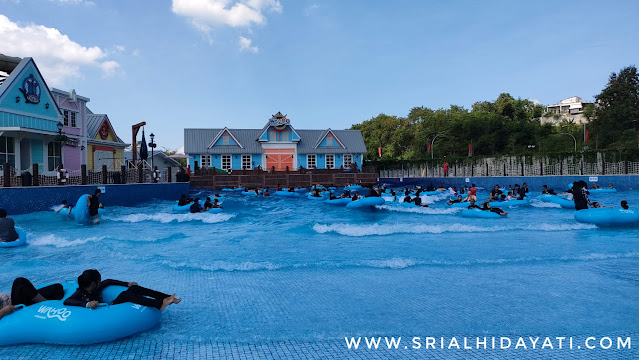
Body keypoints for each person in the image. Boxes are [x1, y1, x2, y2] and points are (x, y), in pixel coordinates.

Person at [64, 270, 181, 311]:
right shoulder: (81, 292)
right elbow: (67, 301)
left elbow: (109, 281)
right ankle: (159, 304)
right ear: (93, 283)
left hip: (109, 306)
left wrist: (127, 284)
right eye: (99, 280)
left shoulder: (96, 287)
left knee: (134, 288)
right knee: (125, 295)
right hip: (105, 310)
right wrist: (87, 304)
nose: (101, 281)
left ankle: (167, 297)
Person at [0, 278, 64, 321]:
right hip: (15, 307)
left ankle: (43, 303)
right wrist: (2, 312)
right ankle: (46, 305)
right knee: (19, 282)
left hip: (17, 299)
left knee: (57, 288)